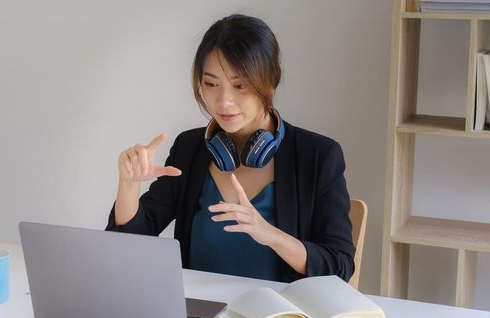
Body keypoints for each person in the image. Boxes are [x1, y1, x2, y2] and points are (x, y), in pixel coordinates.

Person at [106, 14, 354, 283]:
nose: (224, 102)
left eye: (240, 85)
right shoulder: (190, 148)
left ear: (269, 83)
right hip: (200, 315)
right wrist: (128, 184)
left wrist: (271, 235)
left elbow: (339, 266)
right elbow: (126, 249)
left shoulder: (318, 156)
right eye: (212, 84)